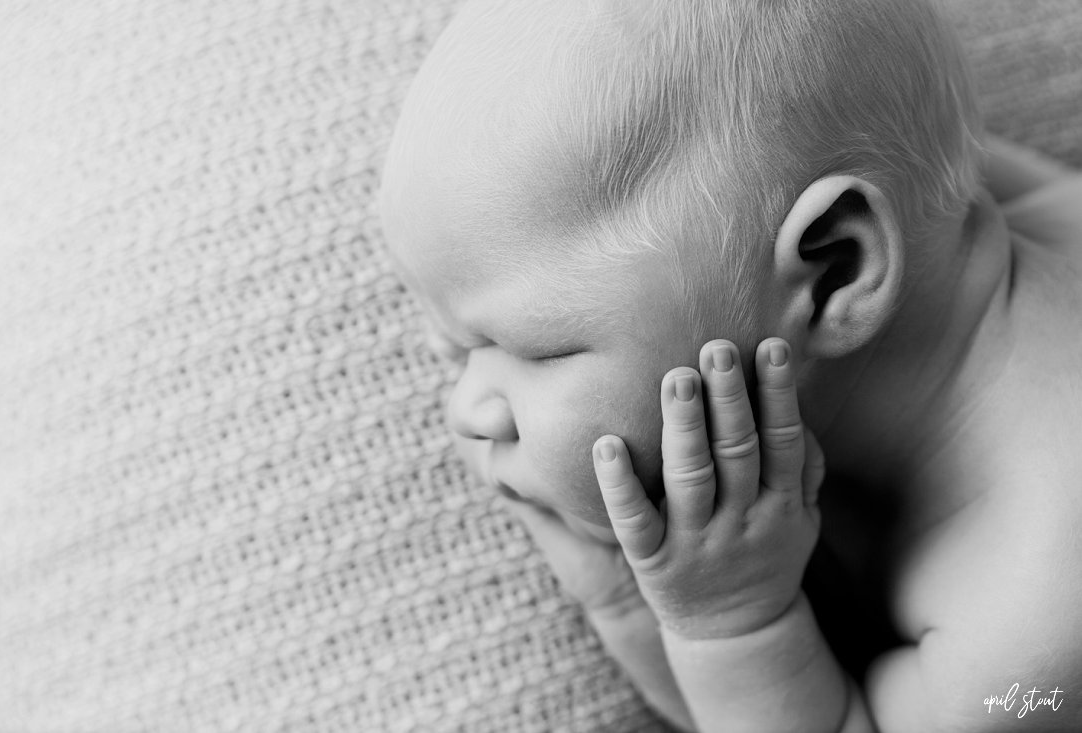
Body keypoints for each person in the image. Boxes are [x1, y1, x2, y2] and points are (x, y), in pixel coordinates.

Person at [379, 0, 1082, 730]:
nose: (469, 408)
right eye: (455, 350)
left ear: (835, 270)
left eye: (537, 349)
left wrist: (731, 624)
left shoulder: (1035, 623)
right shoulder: (989, 208)